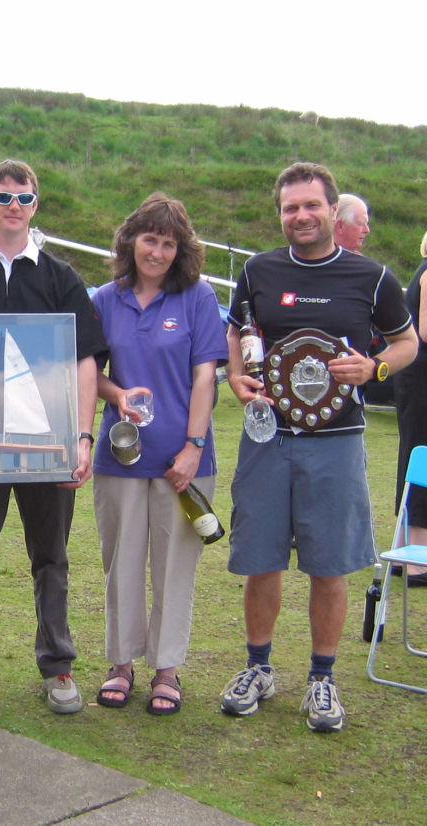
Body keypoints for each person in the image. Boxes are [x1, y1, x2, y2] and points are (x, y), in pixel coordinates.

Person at [221, 161, 417, 733]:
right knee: (261, 557)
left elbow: (406, 343)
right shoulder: (258, 270)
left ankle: (322, 679)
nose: (300, 216)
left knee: (329, 563)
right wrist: (236, 376)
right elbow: (238, 329)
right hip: (267, 437)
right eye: (290, 208)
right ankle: (259, 668)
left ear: (334, 209)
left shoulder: (372, 276)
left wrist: (374, 367)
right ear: (280, 214)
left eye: (311, 206)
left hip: (335, 442)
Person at [0, 159, 107, 715]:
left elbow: (84, 361)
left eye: (23, 198)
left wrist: (82, 439)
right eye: (2, 197)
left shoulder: (60, 277)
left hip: (51, 450)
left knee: (51, 558)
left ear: (36, 205)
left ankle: (57, 666)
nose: (13, 207)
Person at [91, 194, 227, 715]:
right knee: (120, 561)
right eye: (150, 239)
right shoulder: (105, 298)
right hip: (119, 456)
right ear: (130, 241)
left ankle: (166, 669)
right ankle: (121, 664)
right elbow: (90, 371)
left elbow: (204, 377)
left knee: (175, 566)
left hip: (184, 464)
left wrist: (193, 447)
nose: (159, 251)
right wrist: (115, 395)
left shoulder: (196, 297)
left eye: (169, 243)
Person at [393, 229, 427, 583]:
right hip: (422, 376)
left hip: (415, 376)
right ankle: (417, 559)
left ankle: (405, 551)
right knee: (421, 456)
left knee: (413, 454)